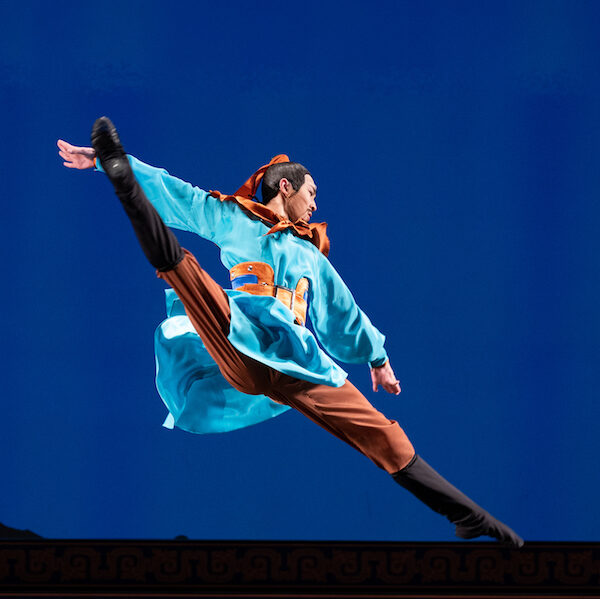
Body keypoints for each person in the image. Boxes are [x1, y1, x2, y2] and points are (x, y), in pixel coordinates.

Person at [58, 118, 523, 546]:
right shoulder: (235, 219)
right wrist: (110, 163)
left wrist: (377, 359)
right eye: (311, 193)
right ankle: (124, 182)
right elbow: (179, 195)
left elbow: (343, 310)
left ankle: (471, 517)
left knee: (385, 437)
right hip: (242, 335)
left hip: (298, 364)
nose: (315, 204)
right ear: (286, 186)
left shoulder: (311, 256)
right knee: (185, 272)